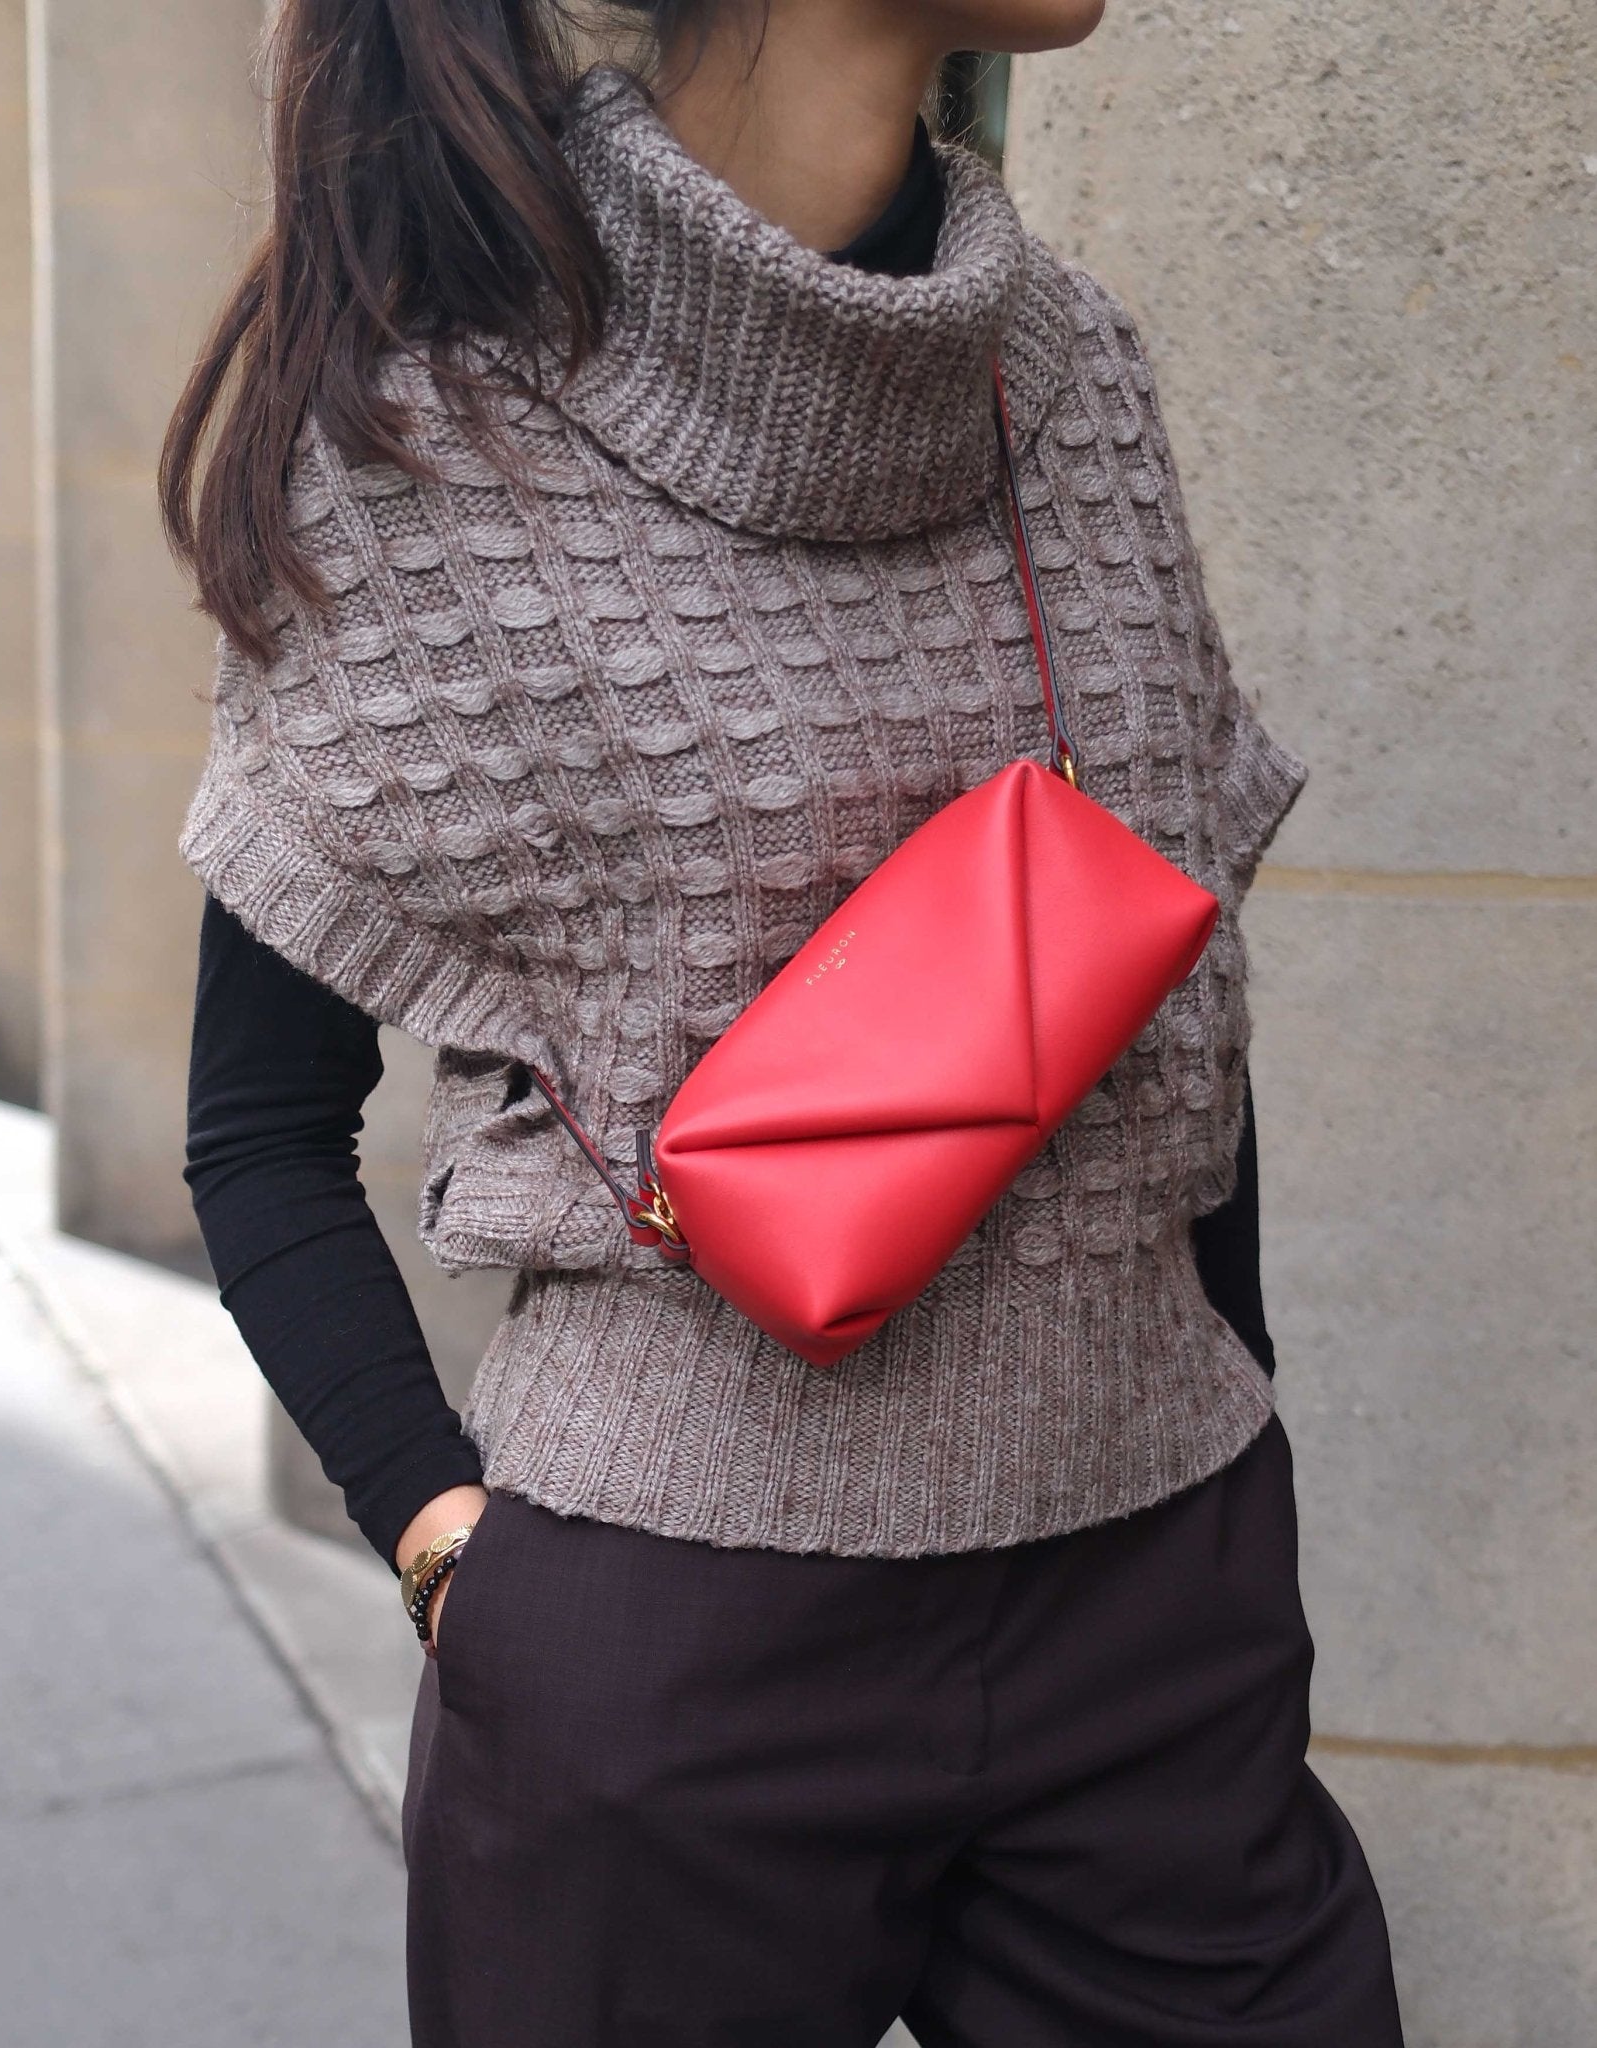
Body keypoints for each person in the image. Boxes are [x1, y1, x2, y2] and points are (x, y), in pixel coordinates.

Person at [163, 0, 1405, 2040]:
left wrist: (1225, 1413)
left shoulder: (1072, 374)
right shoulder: (424, 451)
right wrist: (447, 1545)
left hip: (1155, 1612)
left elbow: (1177, 997)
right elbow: (259, 1131)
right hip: (667, 1650)